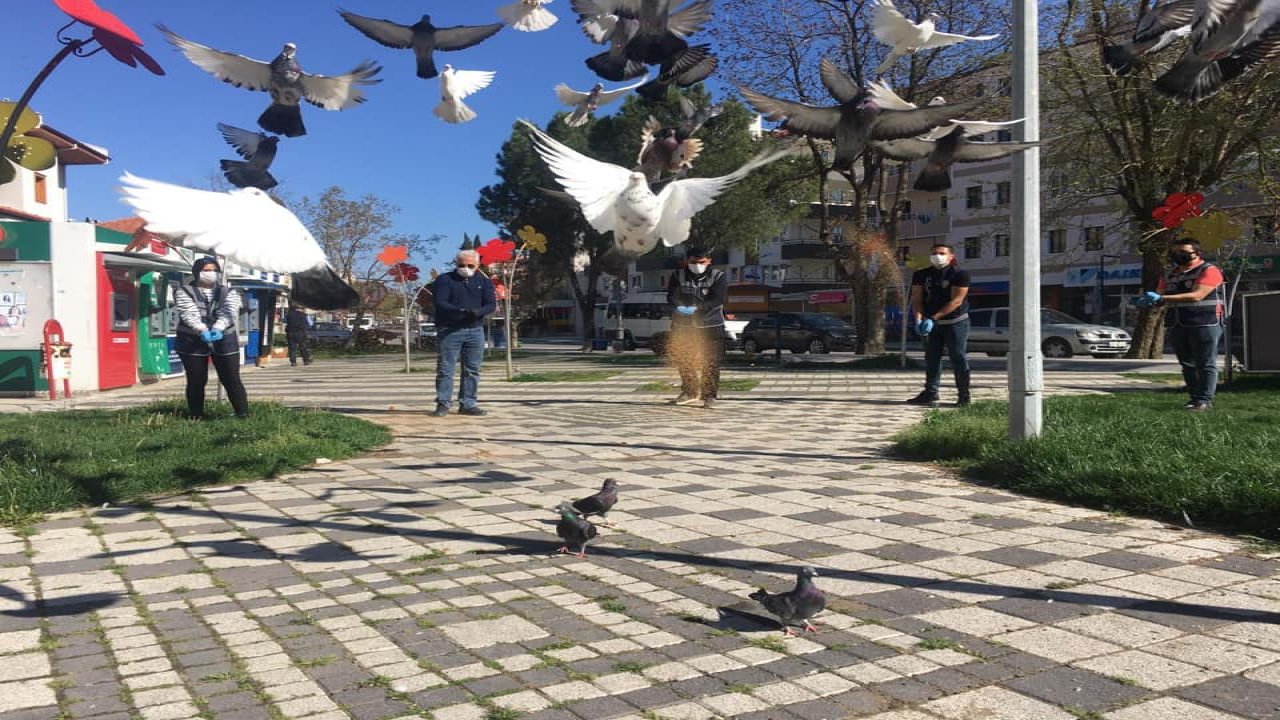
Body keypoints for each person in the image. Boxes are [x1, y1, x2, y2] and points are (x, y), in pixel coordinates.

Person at [1135, 239, 1226, 411]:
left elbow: (1197, 295)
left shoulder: (1209, 270)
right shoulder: (1170, 274)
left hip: (1205, 322)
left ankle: (1204, 400)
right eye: (1175, 252)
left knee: (1205, 363)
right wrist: (1148, 300)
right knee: (1187, 363)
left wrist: (1162, 298)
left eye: (1183, 251)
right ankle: (1194, 398)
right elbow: (1160, 295)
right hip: (1178, 323)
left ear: (1196, 253)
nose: (1178, 255)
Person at [174, 257, 249, 419]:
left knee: (231, 378)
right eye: (207, 270)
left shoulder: (228, 292)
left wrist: (218, 327)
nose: (211, 274)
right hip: (192, 341)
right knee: (196, 380)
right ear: (196, 272)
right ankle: (196, 416)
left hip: (225, 339)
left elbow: (230, 311)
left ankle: (243, 415)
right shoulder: (183, 291)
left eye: (215, 270)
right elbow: (188, 313)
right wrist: (201, 329)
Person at [430, 249, 496, 417]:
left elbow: (491, 304)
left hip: (475, 330)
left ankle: (468, 403)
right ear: (456, 264)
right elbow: (441, 302)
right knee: (446, 369)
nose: (465, 268)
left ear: (477, 265)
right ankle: (443, 403)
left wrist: (478, 312)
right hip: (450, 330)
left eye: (470, 265)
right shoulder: (445, 280)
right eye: (461, 265)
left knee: (472, 369)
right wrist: (461, 310)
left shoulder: (484, 282)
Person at [908, 243, 972, 406]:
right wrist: (919, 319)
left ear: (951, 256)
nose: (938, 256)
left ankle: (963, 395)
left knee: (958, 357)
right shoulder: (921, 275)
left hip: (955, 322)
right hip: (931, 324)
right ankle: (930, 392)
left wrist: (934, 318)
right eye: (934, 253)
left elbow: (956, 301)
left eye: (942, 253)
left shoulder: (959, 274)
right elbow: (916, 299)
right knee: (932, 358)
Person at [666, 247, 727, 409]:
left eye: (701, 262)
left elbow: (716, 299)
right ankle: (690, 391)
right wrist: (679, 307)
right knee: (684, 358)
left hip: (711, 325)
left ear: (709, 262)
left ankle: (710, 396)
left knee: (711, 361)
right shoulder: (677, 276)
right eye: (693, 262)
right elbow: (672, 296)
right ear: (687, 261)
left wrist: (697, 308)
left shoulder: (718, 276)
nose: (697, 265)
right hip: (683, 325)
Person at [284, 301, 313, 366]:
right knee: (303, 347)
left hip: (291, 333)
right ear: (298, 308)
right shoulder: (304, 315)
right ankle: (306, 361)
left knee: (292, 348)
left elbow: (285, 321)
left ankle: (293, 362)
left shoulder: (288, 315)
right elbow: (310, 324)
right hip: (301, 333)